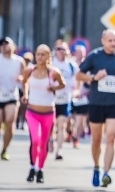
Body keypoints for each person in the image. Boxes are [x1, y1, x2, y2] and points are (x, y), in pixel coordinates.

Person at [76, 30, 115, 188]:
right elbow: (79, 75)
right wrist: (93, 77)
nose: (113, 43)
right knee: (97, 139)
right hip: (96, 102)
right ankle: (96, 168)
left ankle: (106, 173)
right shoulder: (94, 56)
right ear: (103, 41)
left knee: (111, 137)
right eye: (110, 40)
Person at [21, 44, 66, 183]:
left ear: (48, 56)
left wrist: (54, 87)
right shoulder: (30, 70)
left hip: (48, 113)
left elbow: (62, 84)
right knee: (35, 140)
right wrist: (25, 94)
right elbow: (25, 82)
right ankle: (32, 167)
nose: (40, 57)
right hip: (32, 112)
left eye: (43, 54)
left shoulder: (53, 72)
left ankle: (40, 169)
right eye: (38, 54)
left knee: (44, 142)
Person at [0, 37, 27, 160]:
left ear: (13, 46)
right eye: (1, 44)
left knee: (9, 122)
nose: (4, 46)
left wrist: (21, 80)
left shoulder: (19, 61)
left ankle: (4, 150)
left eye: (6, 44)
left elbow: (25, 78)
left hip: (12, 95)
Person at [51, 41, 79, 160]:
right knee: (51, 125)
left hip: (65, 99)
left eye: (63, 49)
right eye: (59, 49)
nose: (61, 51)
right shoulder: (51, 64)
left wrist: (77, 90)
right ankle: (51, 140)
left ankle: (59, 150)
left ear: (67, 51)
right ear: (55, 51)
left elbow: (78, 80)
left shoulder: (72, 66)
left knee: (61, 125)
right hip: (51, 99)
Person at [71, 45, 90, 148]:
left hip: (82, 96)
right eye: (79, 52)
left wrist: (85, 91)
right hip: (69, 95)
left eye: (82, 53)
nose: (80, 55)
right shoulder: (70, 64)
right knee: (68, 119)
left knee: (80, 120)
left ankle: (75, 138)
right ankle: (69, 132)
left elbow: (89, 80)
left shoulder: (88, 65)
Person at [16, 51, 35, 130]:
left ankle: (22, 122)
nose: (27, 61)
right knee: (19, 107)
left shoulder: (32, 68)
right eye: (26, 59)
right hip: (19, 88)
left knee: (24, 107)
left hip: (28, 89)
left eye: (28, 60)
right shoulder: (19, 65)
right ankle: (17, 121)